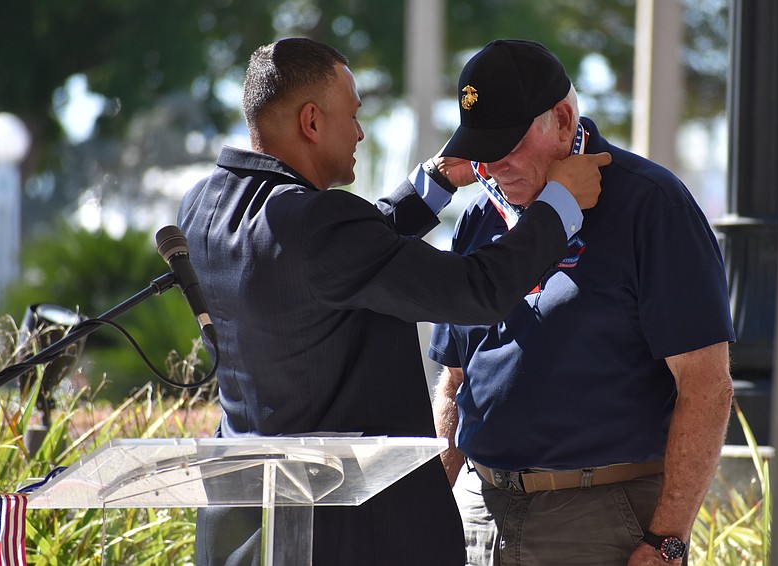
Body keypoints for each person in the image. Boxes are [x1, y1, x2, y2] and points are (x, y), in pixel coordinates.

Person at [176, 38, 610, 566]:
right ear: (311, 122)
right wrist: (559, 204)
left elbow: (338, 259)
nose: (360, 132)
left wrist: (437, 180)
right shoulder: (319, 225)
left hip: (246, 532)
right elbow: (478, 289)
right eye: (353, 115)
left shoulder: (202, 207)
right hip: (346, 535)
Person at [429, 39, 735, 566]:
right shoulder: (479, 216)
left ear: (563, 119)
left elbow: (707, 383)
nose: (494, 166)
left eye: (507, 144)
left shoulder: (650, 204)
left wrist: (667, 542)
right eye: (482, 148)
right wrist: (429, 507)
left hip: (599, 519)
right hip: (478, 512)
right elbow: (455, 381)